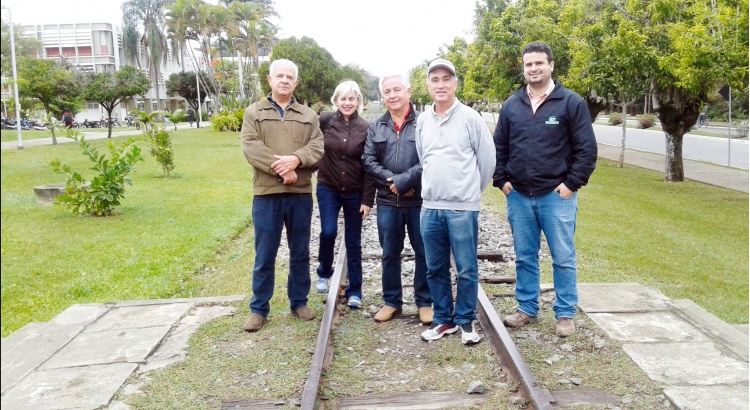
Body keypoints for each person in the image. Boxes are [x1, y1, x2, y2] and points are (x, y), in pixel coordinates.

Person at [493, 42, 597, 338]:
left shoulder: (571, 102)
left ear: (551, 65)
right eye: (528, 64)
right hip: (520, 197)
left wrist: (571, 184)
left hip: (556, 197)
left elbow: (586, 150)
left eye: (539, 63)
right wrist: (501, 181)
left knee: (562, 257)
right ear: (523, 68)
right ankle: (526, 307)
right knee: (525, 256)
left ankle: (564, 313)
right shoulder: (512, 104)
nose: (533, 69)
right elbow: (499, 146)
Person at [240, 59, 325, 332]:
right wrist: (282, 170)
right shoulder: (254, 112)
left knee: (300, 252)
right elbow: (251, 148)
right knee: (265, 253)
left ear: (296, 83)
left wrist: (296, 160)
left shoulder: (309, 116)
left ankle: (299, 302)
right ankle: (258, 308)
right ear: (270, 80)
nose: (285, 80)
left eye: (290, 77)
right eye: (280, 76)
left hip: (299, 196)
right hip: (267, 195)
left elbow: (317, 147)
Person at [415, 59, 495, 345]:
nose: (440, 84)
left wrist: (470, 192)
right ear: (427, 85)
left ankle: (465, 321)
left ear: (455, 83)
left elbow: (487, 161)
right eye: (434, 79)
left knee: (466, 268)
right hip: (430, 208)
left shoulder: (471, 117)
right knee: (435, 267)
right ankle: (443, 320)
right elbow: (423, 156)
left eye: (446, 79)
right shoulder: (423, 120)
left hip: (462, 208)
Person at [362, 74, 433, 325]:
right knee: (390, 252)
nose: (392, 95)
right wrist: (395, 182)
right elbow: (369, 161)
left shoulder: (424, 123)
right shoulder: (377, 126)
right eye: (387, 91)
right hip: (387, 201)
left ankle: (425, 302)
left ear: (409, 91)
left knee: (423, 251)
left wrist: (406, 182)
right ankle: (392, 302)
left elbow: (429, 157)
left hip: (419, 200)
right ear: (383, 96)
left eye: (397, 90)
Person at [314, 80, 375, 309]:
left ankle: (355, 291)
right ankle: (323, 271)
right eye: (343, 98)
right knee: (328, 231)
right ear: (335, 101)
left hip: (355, 191)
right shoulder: (325, 121)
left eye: (352, 98)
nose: (347, 103)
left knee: (353, 241)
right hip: (328, 186)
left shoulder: (367, 128)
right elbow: (311, 145)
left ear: (358, 101)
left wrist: (368, 200)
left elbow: (370, 165)